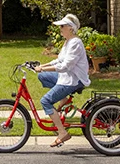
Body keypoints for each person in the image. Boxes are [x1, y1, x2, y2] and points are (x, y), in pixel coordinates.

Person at [36, 13, 91, 147]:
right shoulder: (68, 42)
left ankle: (62, 133)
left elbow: (65, 66)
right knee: (41, 76)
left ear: (71, 28)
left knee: (46, 101)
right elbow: (59, 60)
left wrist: (45, 69)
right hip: (67, 77)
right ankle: (64, 98)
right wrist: (42, 66)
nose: (60, 29)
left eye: (62, 26)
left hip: (73, 80)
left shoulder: (75, 43)